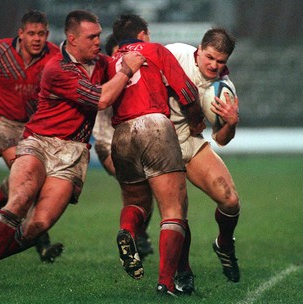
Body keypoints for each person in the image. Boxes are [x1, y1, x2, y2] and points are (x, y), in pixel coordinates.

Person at [0, 9, 145, 292]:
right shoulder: (58, 68)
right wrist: (127, 69)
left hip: (73, 154)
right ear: (72, 39)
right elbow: (102, 98)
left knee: (39, 224)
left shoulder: (100, 63)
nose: (99, 41)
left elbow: (123, 67)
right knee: (19, 200)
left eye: (99, 36)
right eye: (92, 37)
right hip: (40, 142)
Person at [107, 14, 205, 296]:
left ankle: (127, 229)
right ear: (143, 34)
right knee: (173, 209)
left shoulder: (112, 61)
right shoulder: (154, 50)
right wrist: (197, 119)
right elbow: (186, 90)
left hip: (122, 133)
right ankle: (166, 281)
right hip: (154, 126)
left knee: (138, 203)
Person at [0, 10, 64, 263]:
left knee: (27, 181)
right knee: (28, 180)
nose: (37, 39)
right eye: (31, 33)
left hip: (32, 126)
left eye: (41, 34)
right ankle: (43, 245)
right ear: (20, 34)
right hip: (3, 121)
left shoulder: (54, 56)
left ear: (47, 34)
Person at [166, 27, 241, 284]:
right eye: (209, 57)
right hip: (161, 144)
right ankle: (183, 272)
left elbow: (220, 140)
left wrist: (230, 123)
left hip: (190, 141)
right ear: (199, 49)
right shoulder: (175, 55)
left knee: (230, 200)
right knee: (178, 210)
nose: (214, 65)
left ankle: (224, 244)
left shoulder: (223, 87)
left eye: (221, 61)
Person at [92, 34, 154, 260]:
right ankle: (136, 235)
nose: (125, 58)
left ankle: (138, 234)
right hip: (107, 143)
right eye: (120, 53)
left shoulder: (139, 74)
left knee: (144, 190)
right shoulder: (104, 73)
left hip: (136, 141)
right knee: (136, 187)